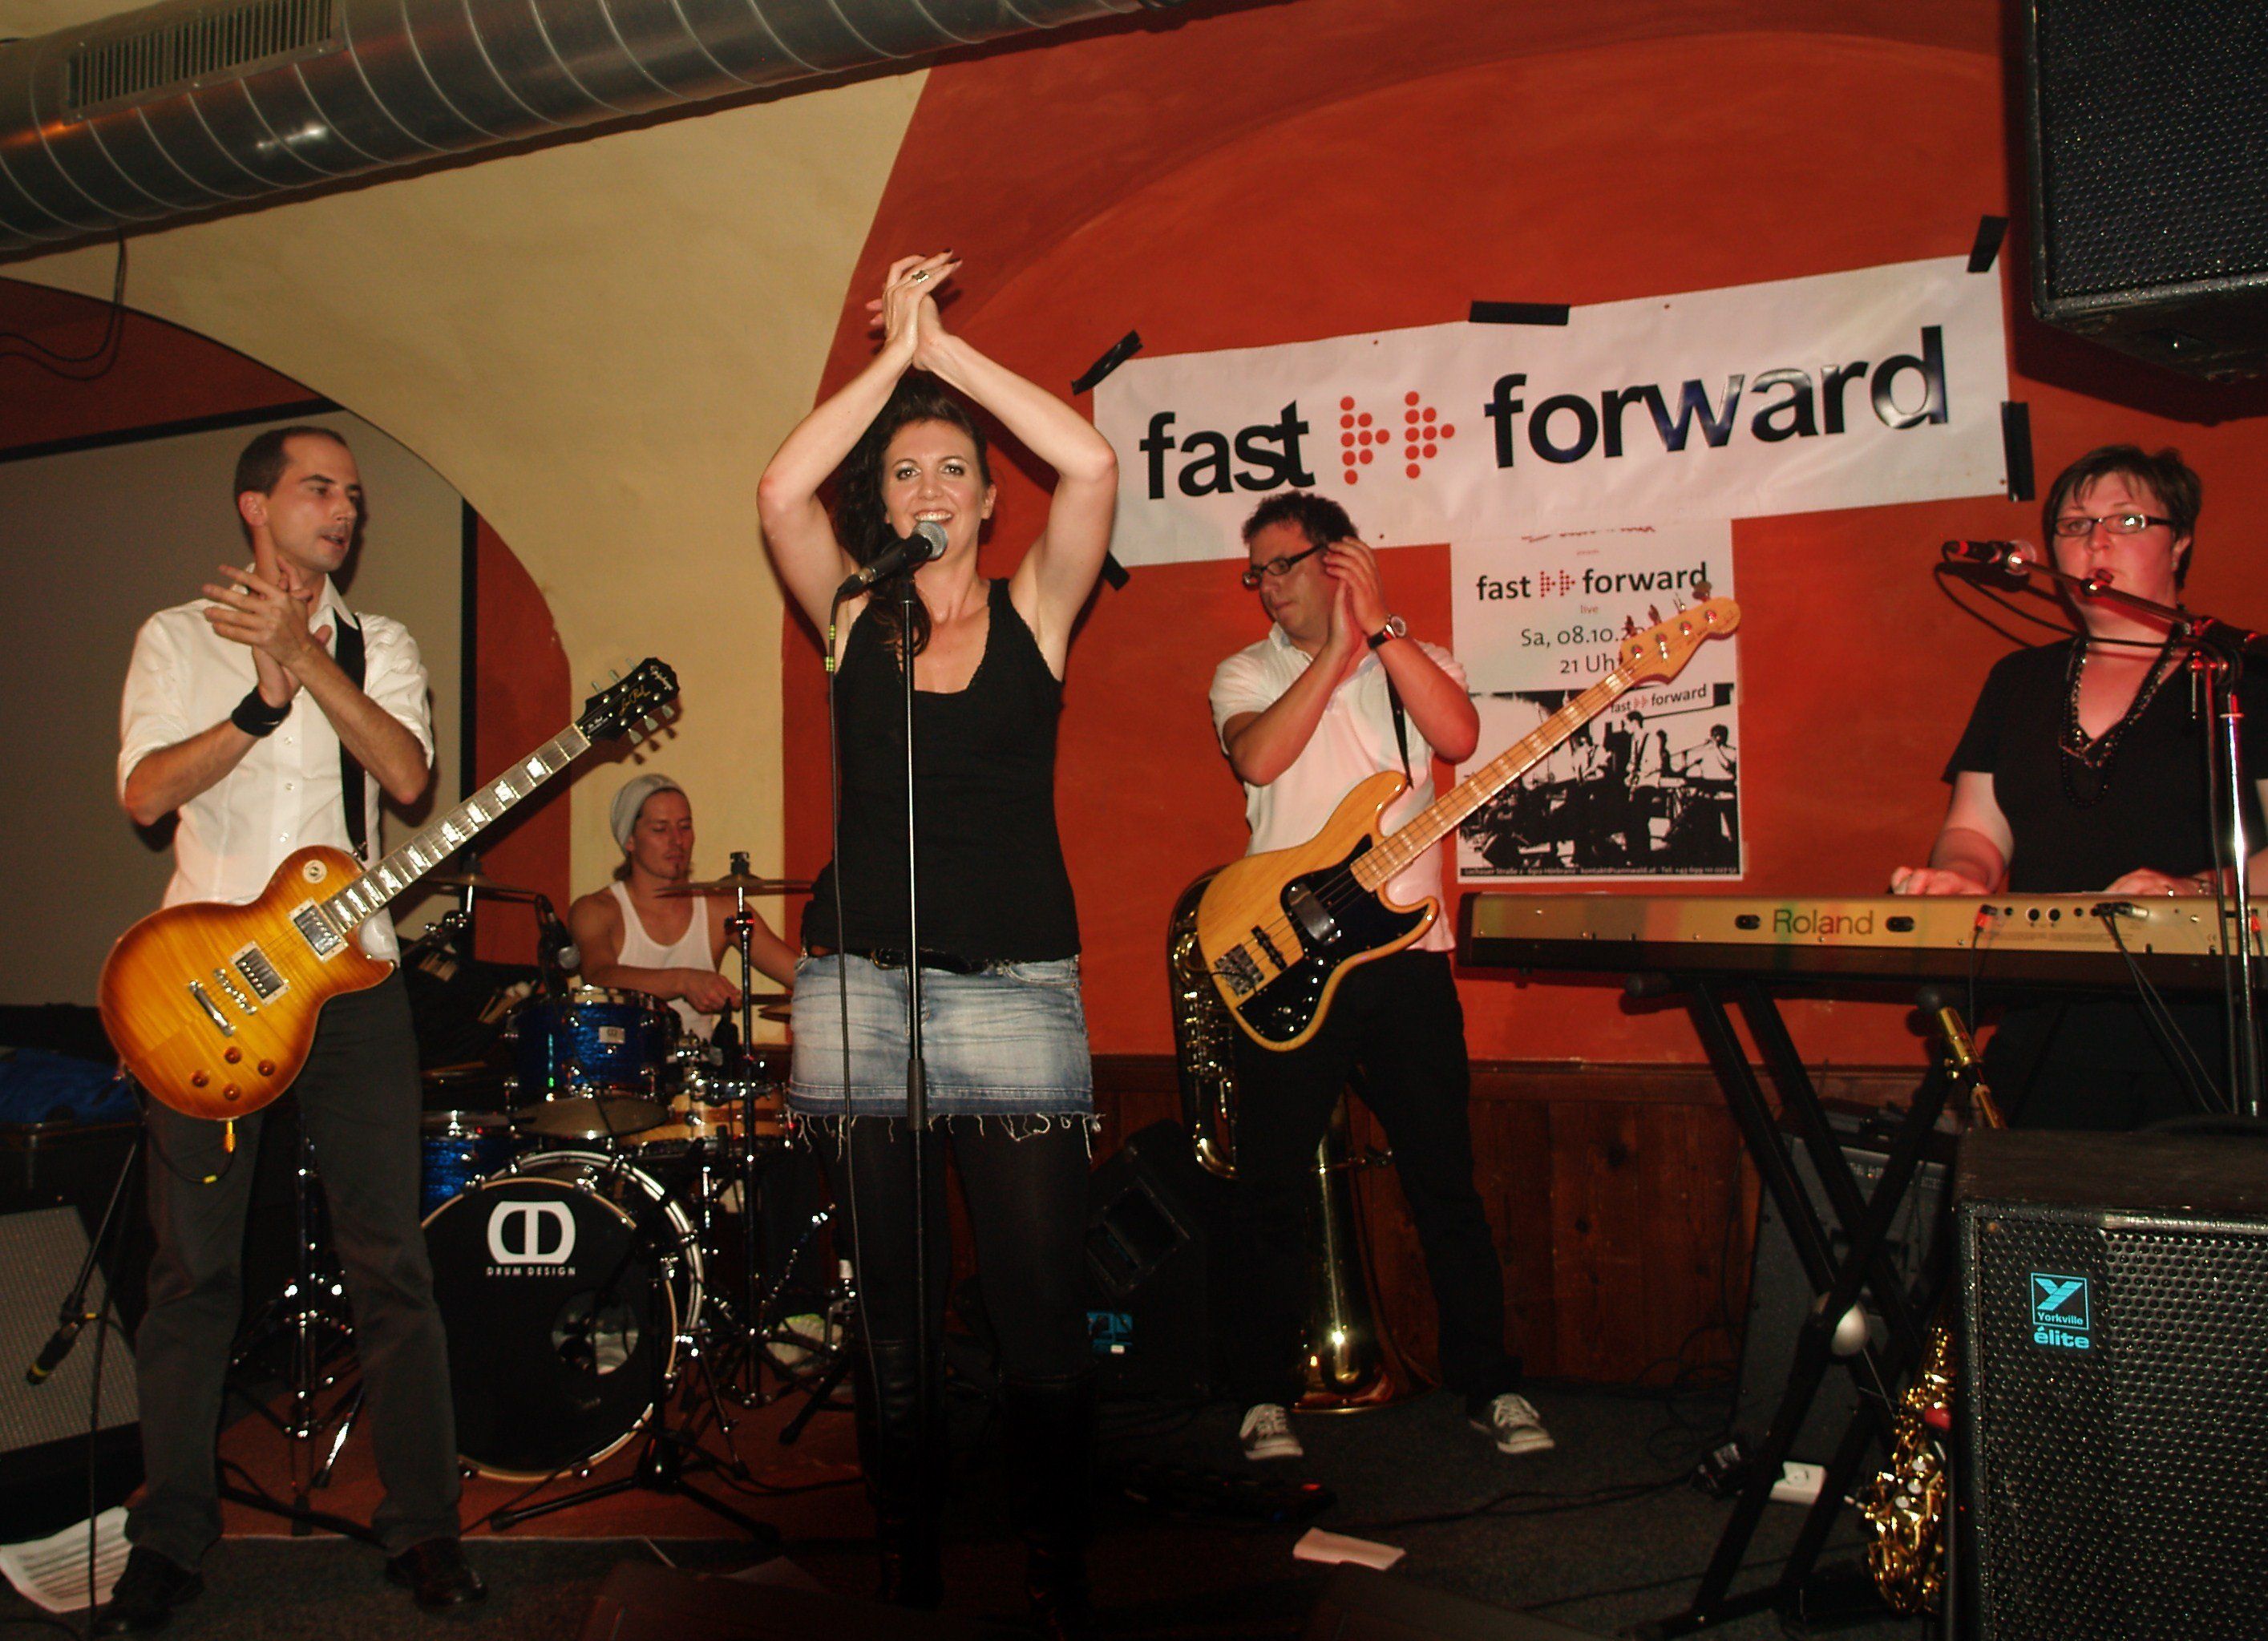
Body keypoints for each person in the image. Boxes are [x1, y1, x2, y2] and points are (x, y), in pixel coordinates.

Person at [754, 252, 1118, 1638]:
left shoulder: (1037, 611)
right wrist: (885, 364)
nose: (928, 489)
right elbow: (779, 494)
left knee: (1036, 1308)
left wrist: (941, 350)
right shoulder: (851, 613)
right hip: (858, 987)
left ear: (986, 495)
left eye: (951, 469)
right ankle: (905, 1569)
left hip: (1012, 990)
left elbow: (1088, 464)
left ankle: (1054, 1566)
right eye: (904, 472)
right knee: (891, 1319)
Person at [103, 427, 482, 1632]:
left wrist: (307, 661)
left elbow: (408, 778)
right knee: (193, 1270)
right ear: (254, 506)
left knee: (392, 1260)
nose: (344, 509)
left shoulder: (384, 645)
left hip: (354, 984)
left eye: (355, 495)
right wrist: (258, 704)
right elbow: (145, 794)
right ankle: (170, 1536)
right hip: (206, 985)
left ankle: (424, 1524)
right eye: (319, 488)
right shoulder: (176, 637)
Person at [1208, 490, 1552, 1465]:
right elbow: (1260, 759)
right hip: (1286, 956)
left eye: (1284, 565)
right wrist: (1330, 655)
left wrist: (1380, 629)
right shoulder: (1245, 672)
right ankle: (1263, 1395)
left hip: (1406, 963)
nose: (1268, 587)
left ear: (1338, 562)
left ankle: (1491, 1383)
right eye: (1258, 572)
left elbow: (1459, 739)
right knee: (1270, 1187)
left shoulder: (1418, 659)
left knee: (1446, 1180)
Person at [1891, 445, 2268, 1128]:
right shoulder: (2018, 681)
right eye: (2073, 525)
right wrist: (1958, 881)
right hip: (2046, 1029)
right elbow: (1973, 830)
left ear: (2179, 542)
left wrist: (2193, 892)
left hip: (2208, 1035)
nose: (2096, 540)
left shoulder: (2239, 673)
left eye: (2127, 520)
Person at [569, 772, 798, 1040]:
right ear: (629, 839)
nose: (677, 840)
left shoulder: (720, 908)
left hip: (699, 1061)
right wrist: (683, 981)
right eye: (660, 829)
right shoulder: (596, 910)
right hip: (624, 1060)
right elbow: (599, 977)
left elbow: (798, 974)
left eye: (685, 827)